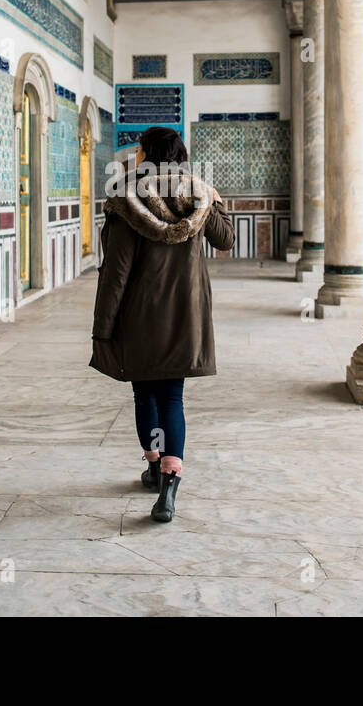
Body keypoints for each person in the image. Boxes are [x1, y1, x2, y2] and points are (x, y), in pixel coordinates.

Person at [90, 126, 235, 523]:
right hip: (184, 317)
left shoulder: (125, 196)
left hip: (139, 317)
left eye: (139, 150)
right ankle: (169, 490)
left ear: (146, 154)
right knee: (173, 398)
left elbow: (116, 271)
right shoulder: (197, 193)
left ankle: (154, 467)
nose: (136, 156)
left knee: (145, 397)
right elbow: (225, 240)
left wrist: (103, 326)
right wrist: (216, 204)